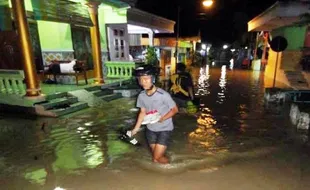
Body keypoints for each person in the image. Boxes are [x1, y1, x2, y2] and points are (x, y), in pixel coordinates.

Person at [131, 64, 178, 164]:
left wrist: (162, 118)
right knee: (156, 158)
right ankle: (164, 168)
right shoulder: (141, 96)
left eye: (147, 78)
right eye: (141, 79)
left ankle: (171, 169)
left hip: (165, 129)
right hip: (151, 130)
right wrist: (135, 129)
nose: (144, 81)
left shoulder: (163, 95)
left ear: (153, 79)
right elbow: (142, 112)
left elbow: (174, 110)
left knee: (156, 157)